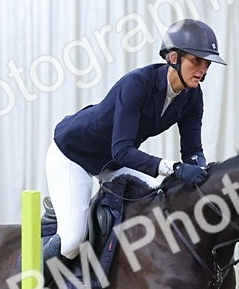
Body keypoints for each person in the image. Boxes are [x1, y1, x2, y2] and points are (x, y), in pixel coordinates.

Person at [46, 18, 226, 267]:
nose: (203, 70)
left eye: (207, 64)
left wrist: (204, 174)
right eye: (197, 61)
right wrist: (173, 168)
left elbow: (193, 150)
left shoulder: (193, 96)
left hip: (110, 161)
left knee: (160, 202)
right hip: (74, 155)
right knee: (72, 241)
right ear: (173, 57)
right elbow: (122, 151)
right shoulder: (137, 84)